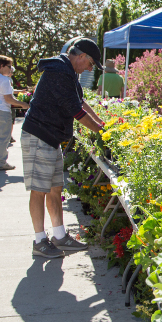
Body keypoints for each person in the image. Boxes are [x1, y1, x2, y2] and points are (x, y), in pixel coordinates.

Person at [22, 37, 105, 259]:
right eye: (90, 64)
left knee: (55, 189)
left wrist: (101, 123)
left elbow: (80, 102)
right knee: (39, 190)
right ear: (81, 56)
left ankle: (59, 236)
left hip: (51, 138)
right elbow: (76, 112)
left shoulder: (69, 73)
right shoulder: (59, 72)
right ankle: (40, 241)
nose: (89, 69)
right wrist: (101, 131)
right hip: (39, 135)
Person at [0, 56, 29, 170]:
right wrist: (22, 104)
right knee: (3, 137)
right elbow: (8, 99)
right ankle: (1, 162)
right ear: (2, 66)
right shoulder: (4, 80)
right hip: (2, 111)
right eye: (9, 66)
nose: (10, 69)